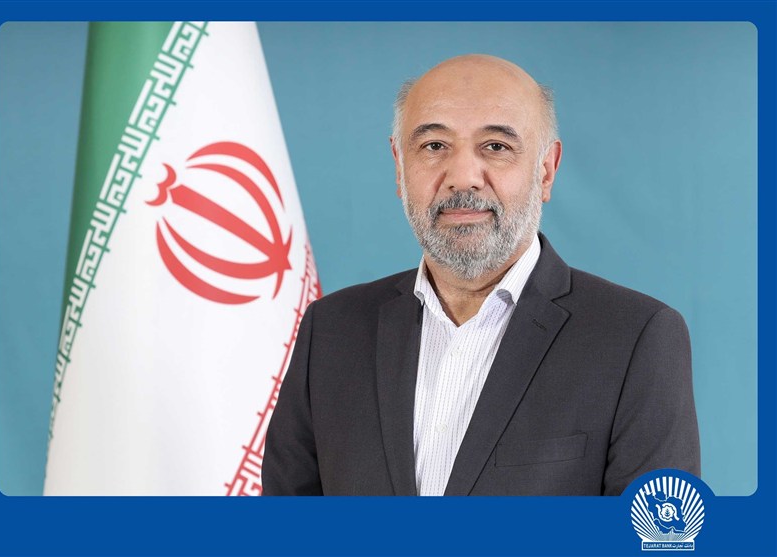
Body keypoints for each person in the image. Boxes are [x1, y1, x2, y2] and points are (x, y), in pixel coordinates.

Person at [261, 54, 700, 496]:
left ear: (546, 170)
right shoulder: (330, 331)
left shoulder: (635, 338)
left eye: (496, 146)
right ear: (399, 166)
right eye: (434, 146)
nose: (463, 178)